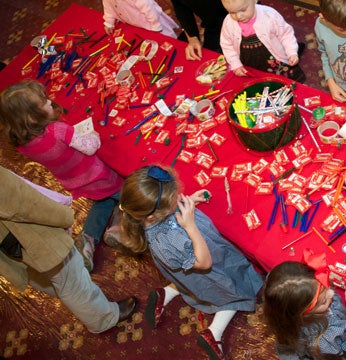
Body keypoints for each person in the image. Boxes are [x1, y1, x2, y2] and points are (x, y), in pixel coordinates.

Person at [117, 165, 263, 360]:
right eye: (174, 198)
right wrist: (191, 225)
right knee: (233, 290)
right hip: (204, 263)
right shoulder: (168, 239)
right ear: (156, 214)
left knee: (185, 280)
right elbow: (204, 263)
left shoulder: (153, 217)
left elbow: (171, 215)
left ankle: (169, 291)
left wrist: (191, 199)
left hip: (187, 260)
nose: (179, 197)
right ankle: (213, 333)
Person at [0, 80, 124, 272]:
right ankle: (121, 226)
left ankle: (88, 238)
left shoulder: (21, 144)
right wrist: (94, 135)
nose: (50, 102)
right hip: (97, 175)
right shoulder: (59, 130)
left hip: (74, 182)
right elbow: (90, 148)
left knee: (102, 201)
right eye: (45, 103)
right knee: (125, 192)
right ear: (32, 118)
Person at [0, 166, 137, 333]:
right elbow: (20, 201)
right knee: (69, 276)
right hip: (26, 236)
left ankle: (87, 249)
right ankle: (104, 319)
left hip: (7, 245)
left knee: (44, 277)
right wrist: (64, 217)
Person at [263, 261, 346, 359]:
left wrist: (326, 279)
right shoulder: (322, 339)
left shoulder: (279, 295)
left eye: (324, 286)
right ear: (304, 313)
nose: (331, 293)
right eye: (323, 301)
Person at [220, 0, 306, 82]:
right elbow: (227, 45)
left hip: (276, 62)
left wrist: (292, 52)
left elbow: (285, 34)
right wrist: (236, 64)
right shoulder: (228, 23)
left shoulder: (269, 15)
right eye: (232, 12)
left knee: (288, 83)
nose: (239, 16)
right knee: (260, 86)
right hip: (249, 64)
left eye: (243, 10)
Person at [102, 0, 179, 38]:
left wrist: (155, 26)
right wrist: (109, 21)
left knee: (166, 38)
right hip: (135, 24)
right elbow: (108, 7)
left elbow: (149, 9)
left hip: (150, 22)